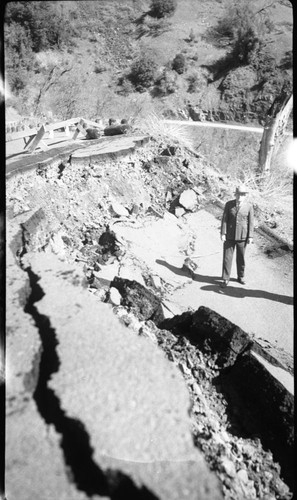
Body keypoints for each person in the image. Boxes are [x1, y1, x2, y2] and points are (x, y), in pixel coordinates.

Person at [220, 184, 254, 287]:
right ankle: (225, 278)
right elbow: (224, 219)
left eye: (242, 195)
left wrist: (250, 236)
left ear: (245, 196)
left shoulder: (249, 206)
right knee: (227, 258)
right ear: (235, 195)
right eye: (238, 195)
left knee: (241, 258)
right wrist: (223, 233)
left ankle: (241, 276)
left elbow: (251, 222)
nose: (240, 197)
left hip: (242, 237)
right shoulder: (229, 204)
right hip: (229, 235)